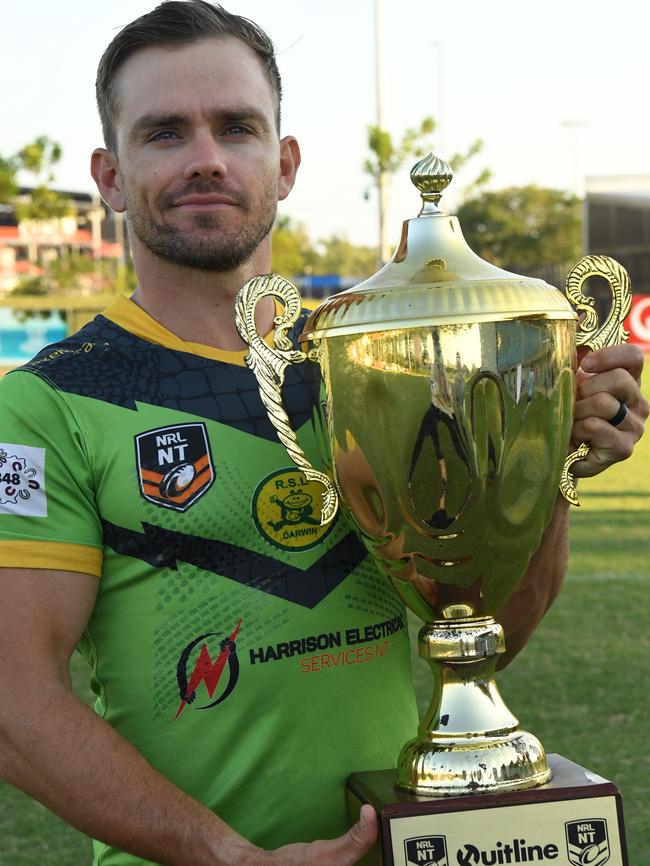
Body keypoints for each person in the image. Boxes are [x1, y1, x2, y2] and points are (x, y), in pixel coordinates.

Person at [0, 3, 646, 865]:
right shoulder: (50, 404)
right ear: (111, 177)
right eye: (164, 134)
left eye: (237, 127)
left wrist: (542, 462)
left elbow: (493, 629)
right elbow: (13, 699)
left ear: (286, 160)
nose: (207, 159)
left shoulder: (387, 370)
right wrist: (224, 855)